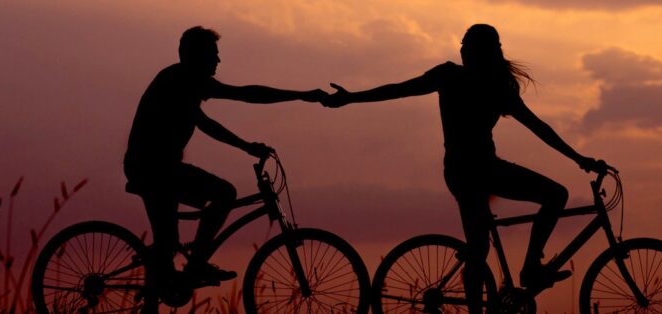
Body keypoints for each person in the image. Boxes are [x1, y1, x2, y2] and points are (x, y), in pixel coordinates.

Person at [322, 24, 606, 311]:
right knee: (499, 234)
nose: (462, 49)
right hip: (469, 172)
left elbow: (538, 127)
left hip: (479, 170)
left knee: (520, 219)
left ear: (483, 51)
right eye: (463, 44)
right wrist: (352, 98)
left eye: (468, 45)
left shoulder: (494, 86)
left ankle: (529, 267)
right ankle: (529, 269)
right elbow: (399, 90)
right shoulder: (455, 77)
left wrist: (578, 158)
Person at [124, 26, 326, 293]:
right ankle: (195, 265)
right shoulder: (182, 79)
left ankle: (169, 272)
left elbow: (206, 121)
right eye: (212, 54)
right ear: (195, 55)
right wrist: (301, 95)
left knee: (168, 245)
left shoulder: (182, 82)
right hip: (153, 170)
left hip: (158, 169)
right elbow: (245, 95)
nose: (218, 61)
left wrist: (246, 146)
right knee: (224, 193)